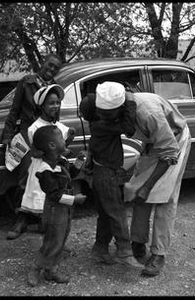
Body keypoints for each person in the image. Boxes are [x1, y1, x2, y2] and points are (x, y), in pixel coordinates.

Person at [123, 90, 191, 277]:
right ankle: (137, 241)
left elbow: (169, 152)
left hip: (174, 142)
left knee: (164, 198)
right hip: (153, 144)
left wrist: (147, 186)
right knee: (139, 194)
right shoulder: (114, 107)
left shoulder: (148, 113)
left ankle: (159, 254)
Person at [1, 53, 63, 240]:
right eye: (49, 65)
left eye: (55, 68)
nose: (51, 69)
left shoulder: (54, 87)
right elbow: (14, 111)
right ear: (43, 63)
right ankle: (21, 220)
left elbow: (56, 111)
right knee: (26, 176)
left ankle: (44, 217)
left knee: (48, 174)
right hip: (28, 132)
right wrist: (8, 136)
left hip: (48, 134)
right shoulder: (26, 83)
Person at [86, 81, 143, 268]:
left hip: (103, 172)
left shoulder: (98, 124)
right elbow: (129, 128)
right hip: (106, 174)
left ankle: (100, 248)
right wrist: (130, 100)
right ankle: (124, 251)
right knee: (116, 211)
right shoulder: (103, 126)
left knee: (106, 212)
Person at [27, 125, 86, 287]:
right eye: (61, 137)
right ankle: (36, 267)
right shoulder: (45, 170)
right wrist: (74, 200)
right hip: (55, 209)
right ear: (52, 145)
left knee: (62, 238)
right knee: (53, 240)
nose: (64, 139)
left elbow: (71, 175)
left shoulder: (60, 160)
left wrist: (80, 161)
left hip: (64, 208)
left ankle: (50, 270)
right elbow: (54, 195)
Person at [19, 84, 75, 226]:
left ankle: (55, 233)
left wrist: (68, 140)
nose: (55, 106)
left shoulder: (60, 126)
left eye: (57, 103)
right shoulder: (35, 127)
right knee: (45, 201)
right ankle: (49, 234)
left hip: (58, 170)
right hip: (44, 170)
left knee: (57, 203)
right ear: (42, 106)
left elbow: (62, 146)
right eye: (51, 103)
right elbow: (36, 151)